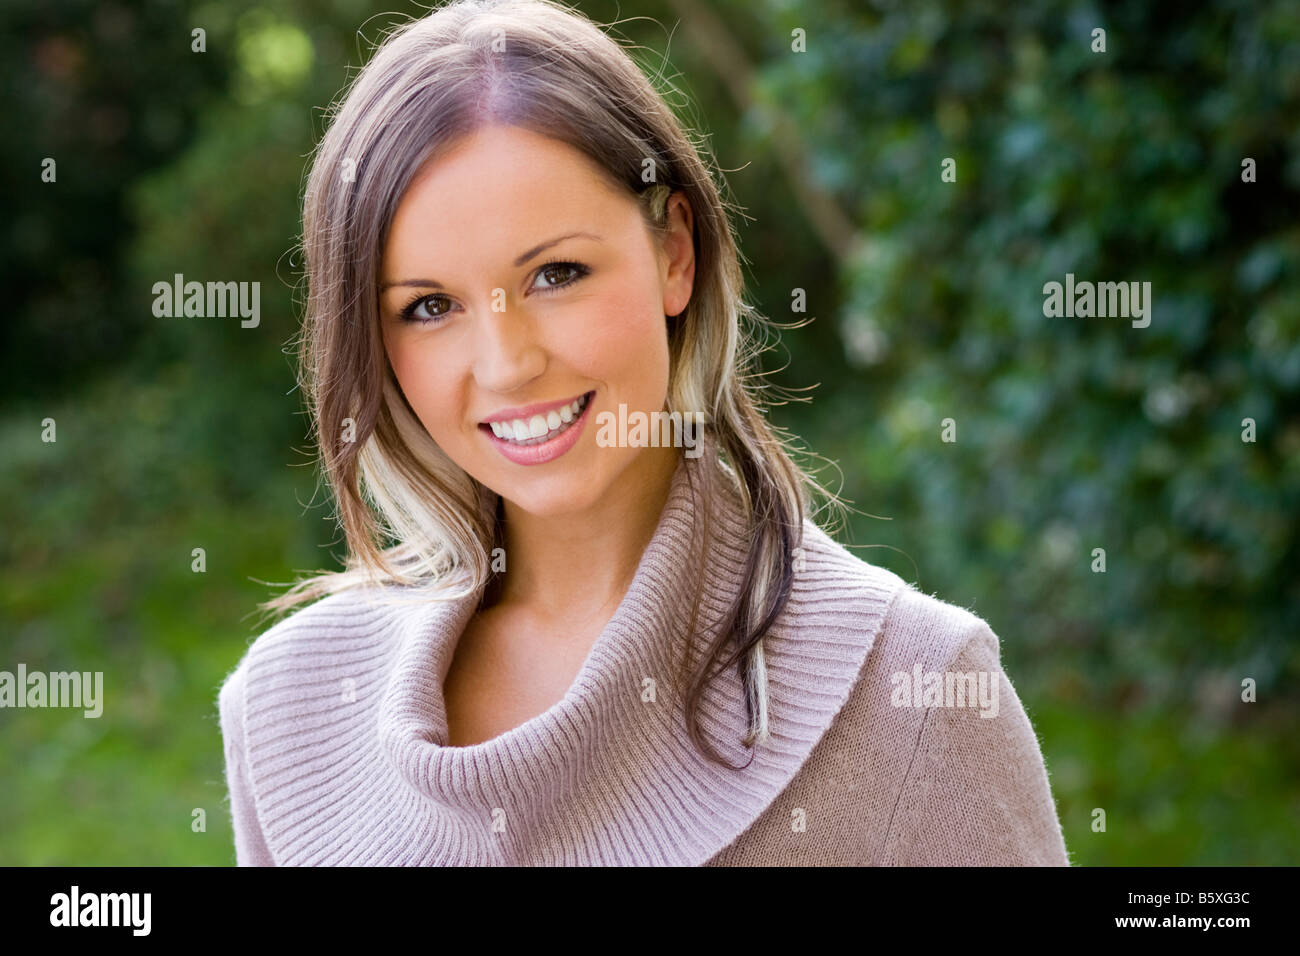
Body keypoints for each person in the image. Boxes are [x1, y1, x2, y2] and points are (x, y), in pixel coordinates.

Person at [217, 0, 1070, 866]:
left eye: (557, 273)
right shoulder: (287, 707)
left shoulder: (919, 693)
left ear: (674, 254)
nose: (506, 362)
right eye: (430, 306)